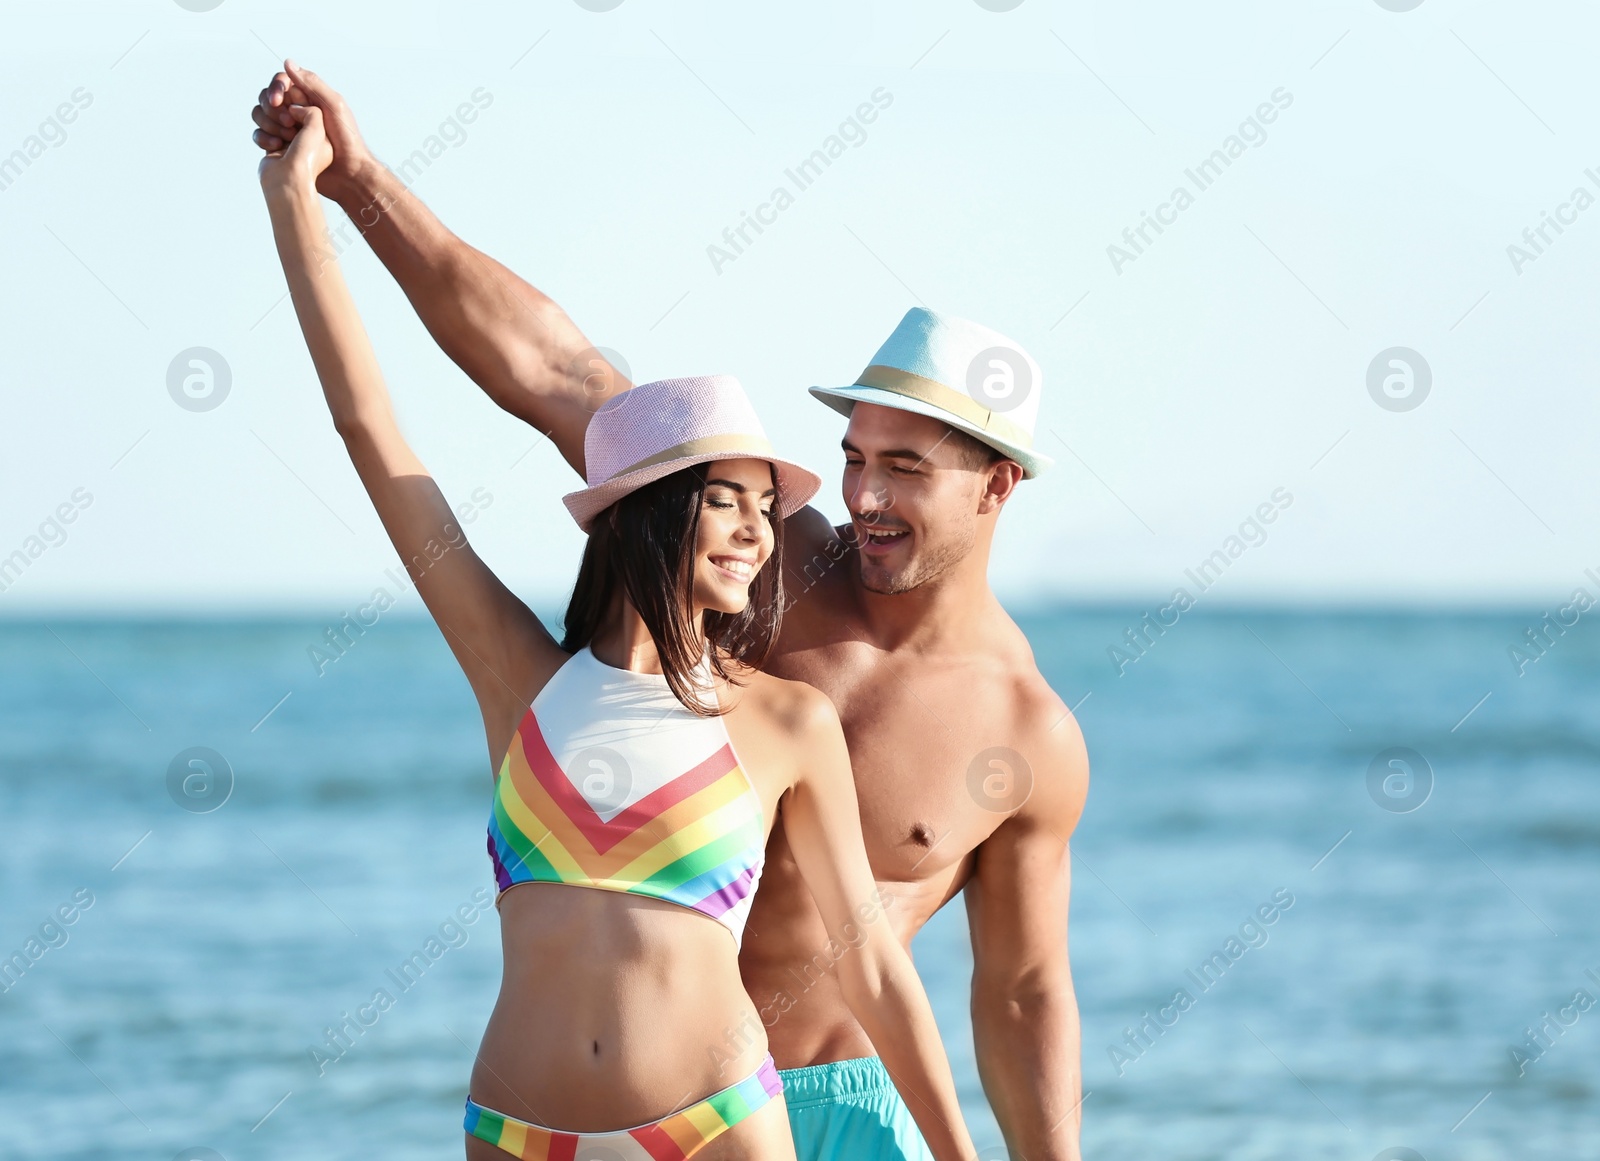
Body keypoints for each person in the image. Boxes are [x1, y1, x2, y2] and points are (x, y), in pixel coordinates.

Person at [253, 63, 1090, 1161]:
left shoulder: (1024, 733)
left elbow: (1021, 993)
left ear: (995, 488)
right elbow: (552, 369)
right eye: (852, 461)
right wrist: (355, 185)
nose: (863, 498)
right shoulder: (754, 556)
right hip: (603, 1101)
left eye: (905, 469)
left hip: (822, 1110)